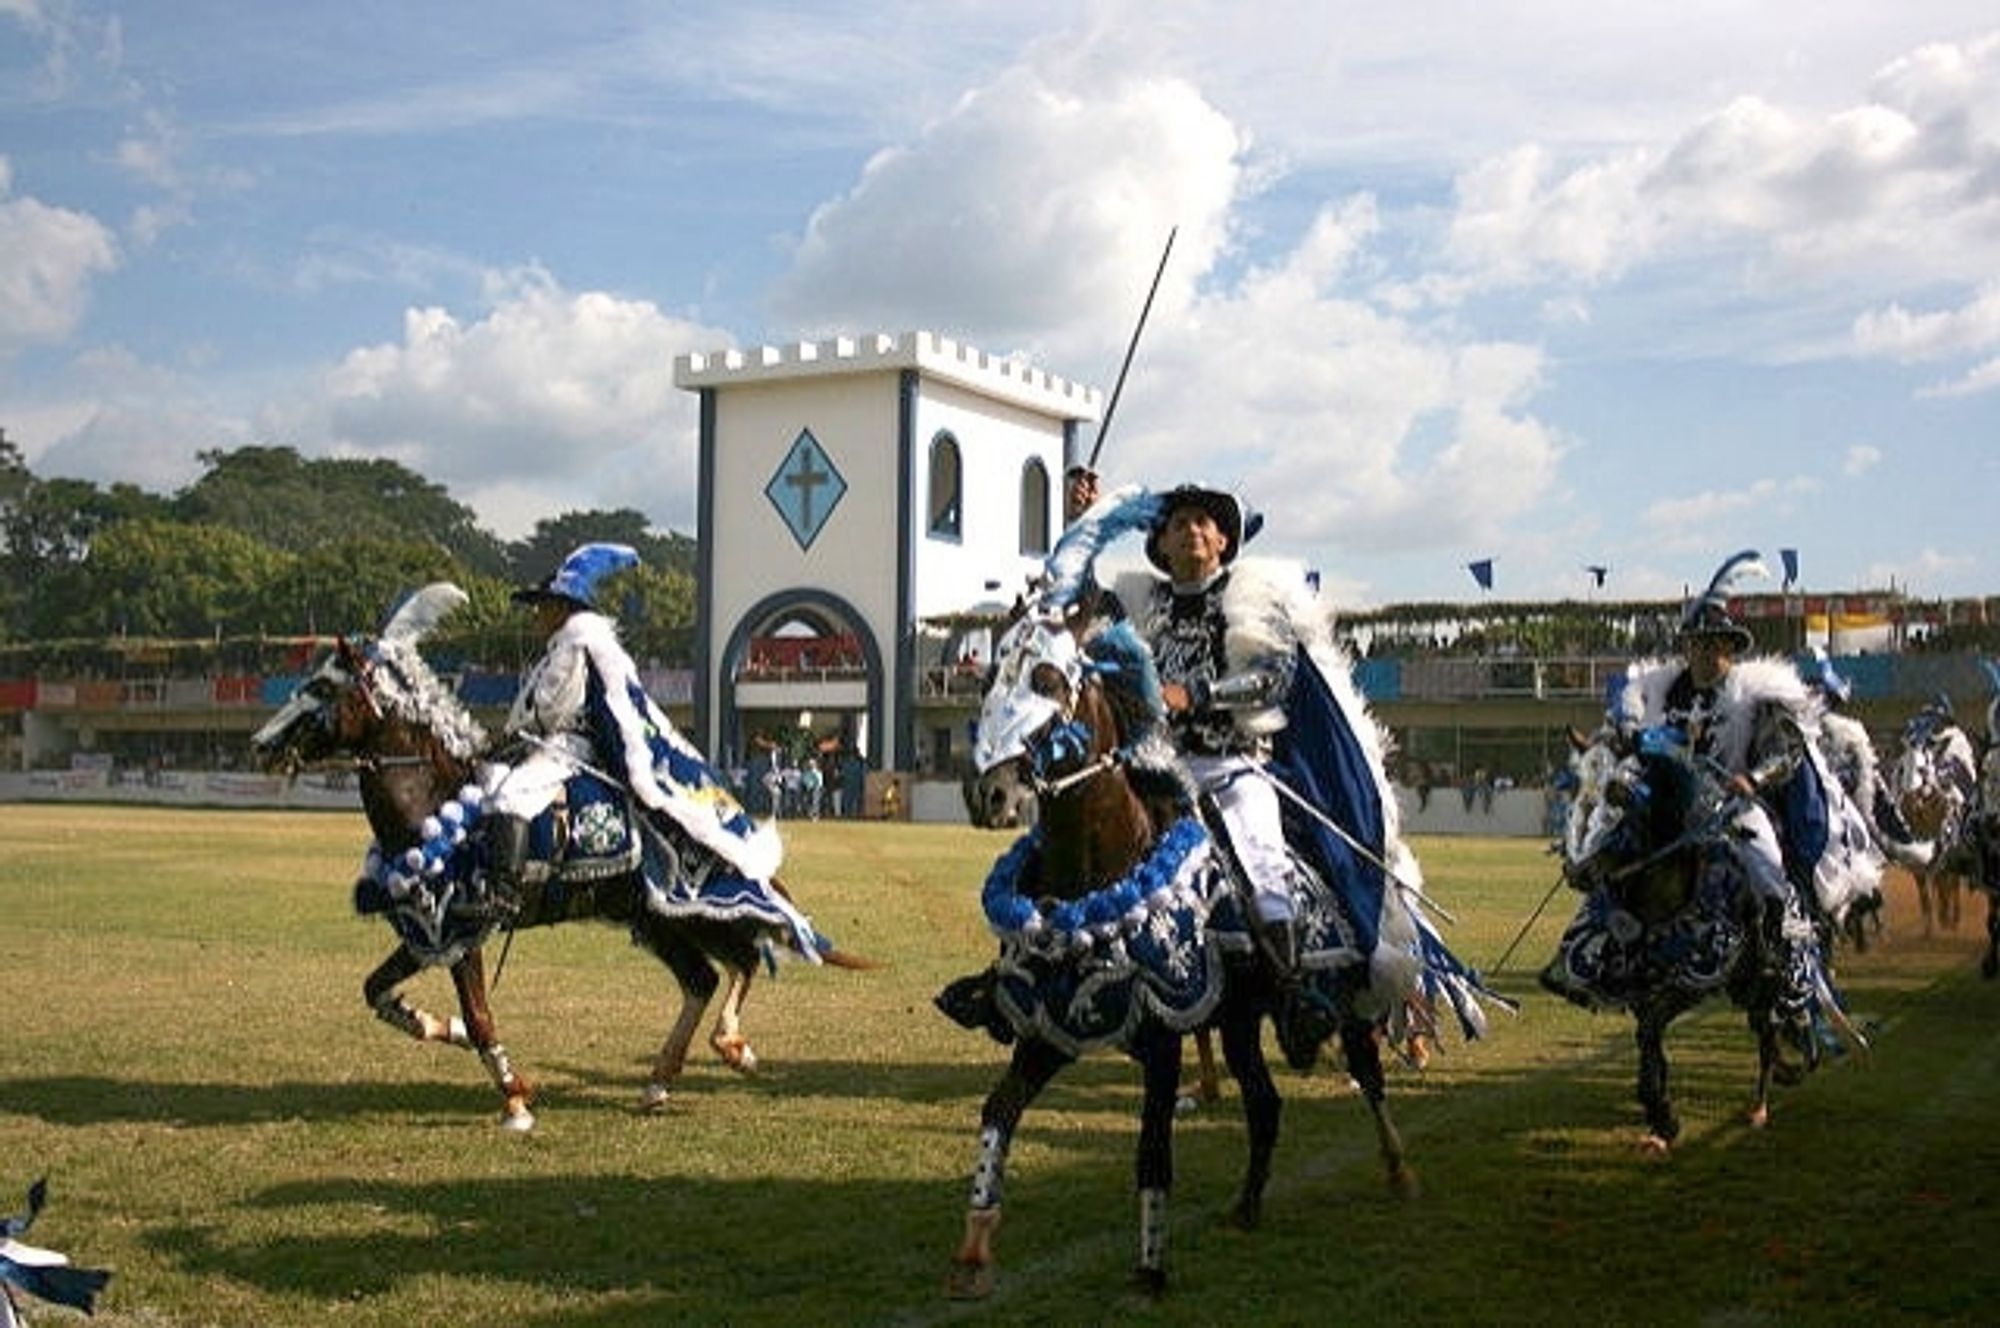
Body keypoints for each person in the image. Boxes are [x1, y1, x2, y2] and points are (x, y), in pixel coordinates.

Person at [481, 543, 815, 951]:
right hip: (554, 742)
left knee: (511, 796)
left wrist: (516, 734)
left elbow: (554, 709)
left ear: (563, 608)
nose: (536, 613)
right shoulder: (565, 645)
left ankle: (503, 891)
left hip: (570, 747)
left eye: (543, 605)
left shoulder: (576, 644)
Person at [1108, 484, 1321, 1065]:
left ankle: (1292, 997)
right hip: (1160, 771)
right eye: (1179, 524)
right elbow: (1074, 607)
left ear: (1224, 540)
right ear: (1162, 544)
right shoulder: (1140, 611)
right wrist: (1081, 522)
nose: (1192, 530)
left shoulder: (1250, 602)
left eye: (1204, 522)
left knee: (1261, 866)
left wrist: (1194, 692)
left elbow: (1273, 678)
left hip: (1234, 766)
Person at [1609, 551, 1830, 1049]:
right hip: (1673, 806)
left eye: (1718, 645)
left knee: (1767, 865)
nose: (1709, 654)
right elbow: (1632, 728)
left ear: (1732, 648)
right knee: (1615, 850)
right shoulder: (1661, 693)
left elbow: (1786, 752)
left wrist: (1753, 778)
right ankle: (1609, 945)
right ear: (1687, 647)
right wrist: (1627, 738)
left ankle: (1774, 955)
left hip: (1733, 808)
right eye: (1699, 644)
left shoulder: (1756, 696)